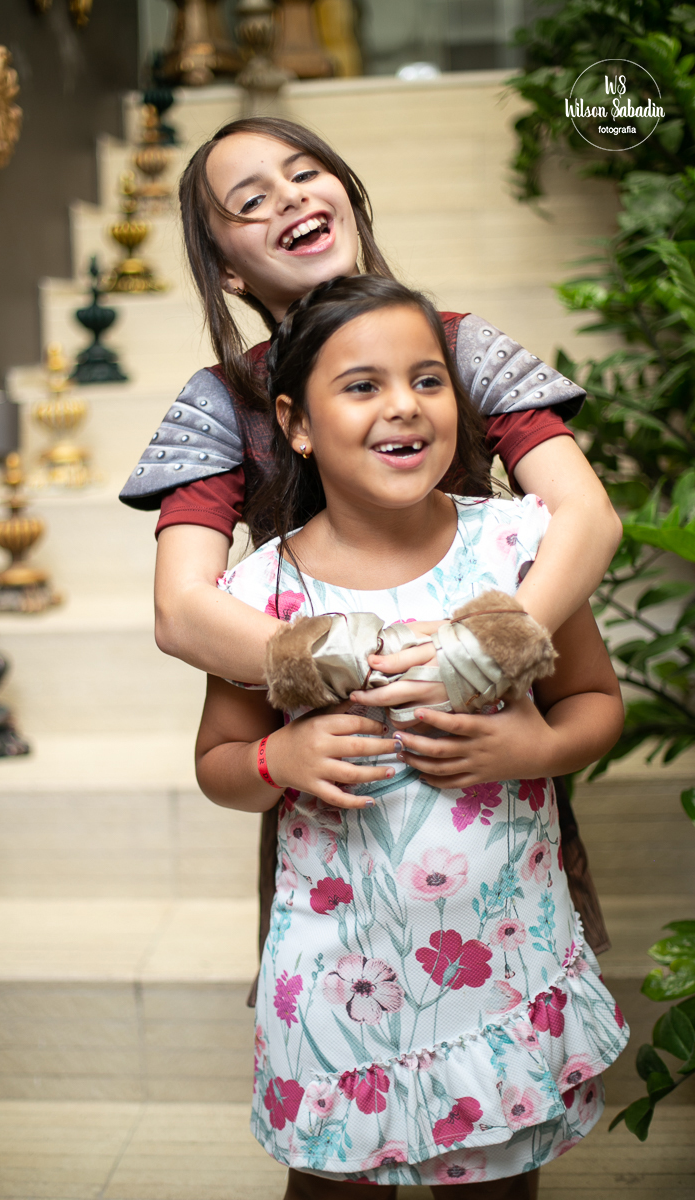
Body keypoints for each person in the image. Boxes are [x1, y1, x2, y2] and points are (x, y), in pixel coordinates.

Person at [119, 116, 620, 958]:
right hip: (342, 786)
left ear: (347, 195)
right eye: (251, 201)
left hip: (487, 757)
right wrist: (333, 664)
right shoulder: (219, 402)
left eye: (306, 172)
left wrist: (484, 650)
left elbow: (586, 515)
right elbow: (182, 609)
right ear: (230, 273)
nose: (290, 197)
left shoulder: (460, 348)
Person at [195, 275, 628, 1198]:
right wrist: (283, 758)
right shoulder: (261, 597)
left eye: (429, 380)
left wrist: (535, 752)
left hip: (502, 964)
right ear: (296, 423)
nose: (405, 406)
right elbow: (220, 766)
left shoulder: (519, 550)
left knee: (499, 1185)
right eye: (362, 385)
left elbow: (595, 699)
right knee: (331, 1189)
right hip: (336, 978)